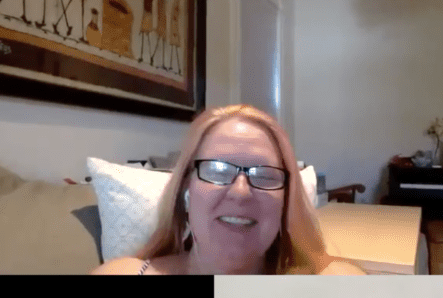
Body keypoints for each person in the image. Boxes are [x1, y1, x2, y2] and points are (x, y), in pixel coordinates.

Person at [92, 105, 364, 275]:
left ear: (285, 202)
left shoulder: (337, 285)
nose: (241, 192)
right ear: (186, 190)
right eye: (217, 171)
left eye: (265, 175)